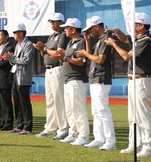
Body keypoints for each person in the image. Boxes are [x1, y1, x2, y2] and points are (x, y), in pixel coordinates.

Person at [106, 12, 151, 157]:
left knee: (143, 115)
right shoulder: (138, 39)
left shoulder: (145, 40)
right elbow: (125, 39)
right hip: (134, 80)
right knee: (133, 115)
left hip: (141, 80)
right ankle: (134, 143)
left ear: (141, 26)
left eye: (134, 24)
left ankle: (149, 146)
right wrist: (117, 32)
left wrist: (114, 43)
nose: (131, 27)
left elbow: (126, 56)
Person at [77, 16, 116, 150]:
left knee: (102, 110)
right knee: (96, 111)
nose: (89, 32)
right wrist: (87, 41)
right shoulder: (99, 40)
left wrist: (86, 54)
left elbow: (99, 59)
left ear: (97, 26)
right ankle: (99, 138)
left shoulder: (105, 39)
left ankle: (110, 140)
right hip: (95, 78)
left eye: (90, 29)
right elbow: (90, 55)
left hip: (101, 78)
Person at [35, 13, 69, 139]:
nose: (52, 23)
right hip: (48, 70)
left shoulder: (63, 35)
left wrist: (44, 48)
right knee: (50, 100)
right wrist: (41, 49)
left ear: (61, 22)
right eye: (51, 21)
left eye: (55, 21)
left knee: (59, 100)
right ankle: (50, 128)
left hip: (57, 69)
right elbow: (45, 54)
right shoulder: (51, 36)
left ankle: (63, 129)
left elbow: (59, 53)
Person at [58, 18, 90, 146]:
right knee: (70, 109)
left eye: (67, 28)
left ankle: (83, 135)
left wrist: (65, 57)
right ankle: (73, 132)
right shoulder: (70, 42)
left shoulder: (81, 41)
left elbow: (81, 61)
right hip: (68, 79)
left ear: (72, 29)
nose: (65, 30)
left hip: (77, 79)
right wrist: (62, 58)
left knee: (78, 109)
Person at [5, 23, 34, 134]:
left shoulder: (28, 44)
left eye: (15, 32)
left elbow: (26, 60)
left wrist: (12, 57)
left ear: (21, 33)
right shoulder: (18, 45)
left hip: (23, 77)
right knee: (16, 101)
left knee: (24, 102)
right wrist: (10, 58)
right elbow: (15, 60)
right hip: (16, 75)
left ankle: (27, 126)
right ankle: (19, 124)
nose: (14, 35)